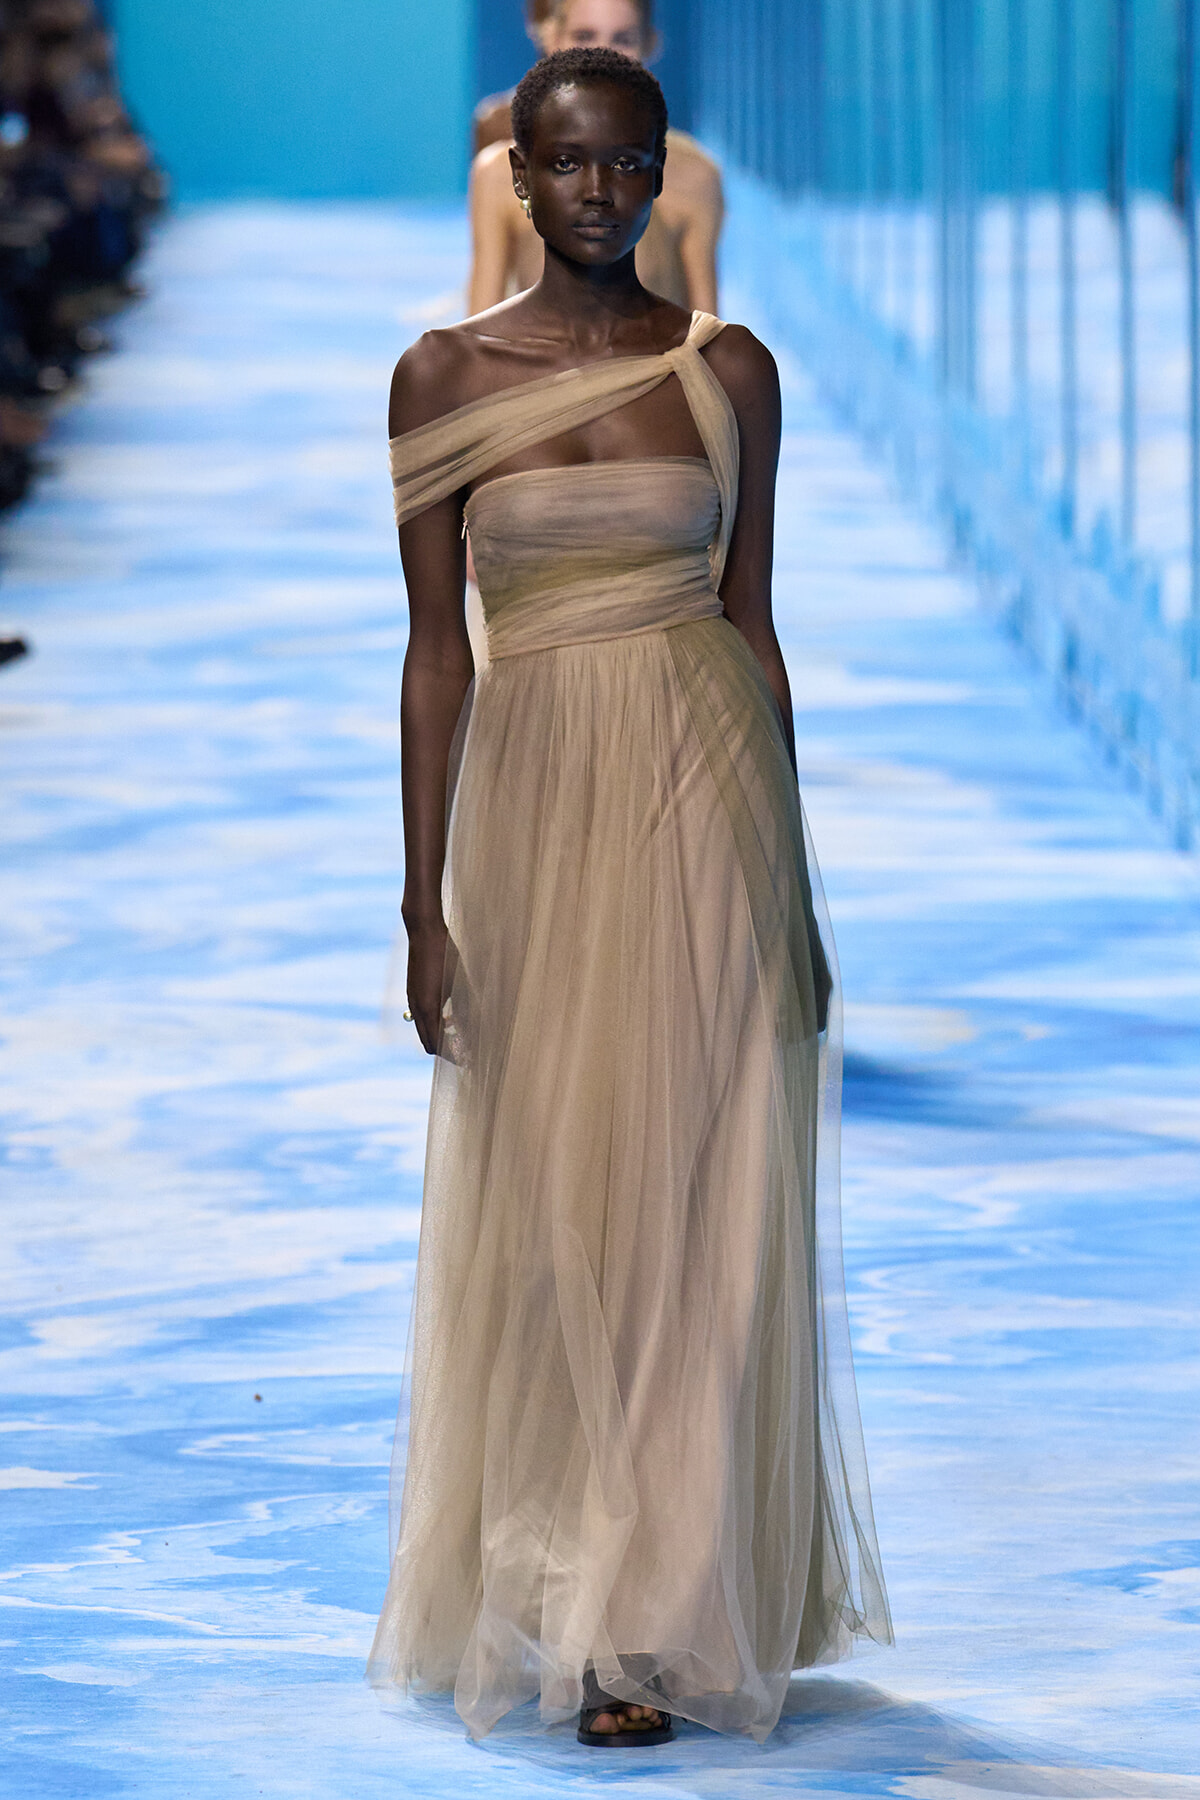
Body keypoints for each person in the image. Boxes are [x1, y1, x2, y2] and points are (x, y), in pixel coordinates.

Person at [368, 48, 891, 1747]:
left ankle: (641, 1617)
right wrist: (422, 906)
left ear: (665, 174)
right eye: (572, 165)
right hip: (534, 811)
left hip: (705, 796)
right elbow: (435, 655)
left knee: (701, 1201)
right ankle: (566, 1575)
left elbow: (753, 623)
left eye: (630, 164)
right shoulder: (441, 375)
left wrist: (792, 881)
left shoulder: (728, 368)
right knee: (558, 1204)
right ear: (516, 178)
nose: (603, 193)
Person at [467, 0, 723, 317]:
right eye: (584, 36)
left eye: (622, 39)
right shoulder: (496, 174)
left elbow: (708, 334)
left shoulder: (695, 176)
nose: (603, 56)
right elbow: (478, 331)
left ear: (650, 44)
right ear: (551, 38)